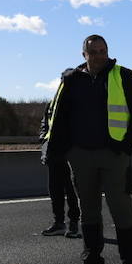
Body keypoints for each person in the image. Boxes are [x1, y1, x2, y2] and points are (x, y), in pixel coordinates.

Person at [42, 35, 132, 264]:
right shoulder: (70, 81)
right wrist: (57, 149)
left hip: (114, 156)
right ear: (84, 54)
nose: (99, 55)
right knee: (88, 213)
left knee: (121, 210)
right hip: (80, 157)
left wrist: (126, 146)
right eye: (94, 52)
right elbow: (54, 114)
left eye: (103, 50)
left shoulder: (124, 76)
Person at [38, 85, 81, 238]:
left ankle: (74, 224)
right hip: (52, 153)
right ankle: (59, 223)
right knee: (55, 190)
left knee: (72, 191)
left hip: (69, 154)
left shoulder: (77, 103)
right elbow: (44, 124)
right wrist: (43, 139)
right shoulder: (51, 103)